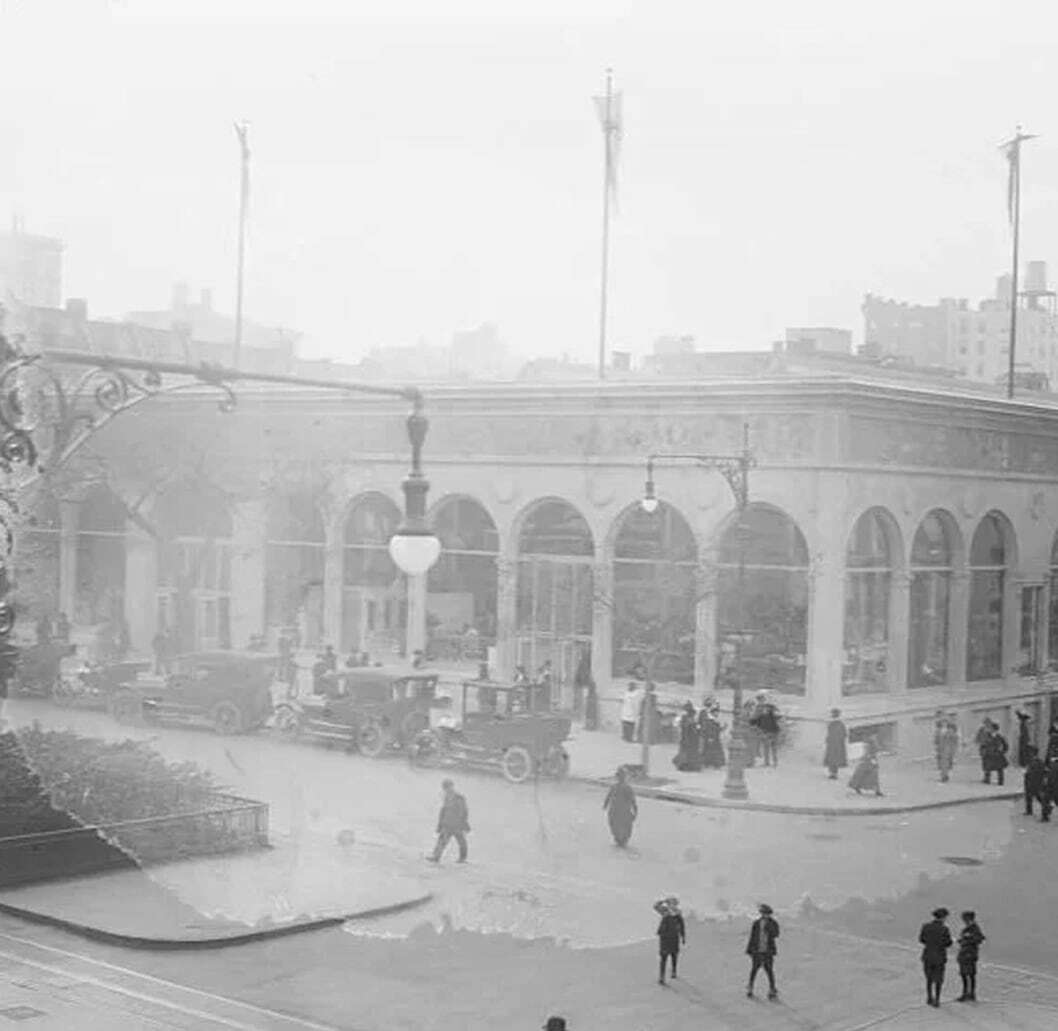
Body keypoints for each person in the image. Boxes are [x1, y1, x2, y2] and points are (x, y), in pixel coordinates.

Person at [428, 779, 469, 863]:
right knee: (441, 841)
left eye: (448, 787)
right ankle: (436, 857)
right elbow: (443, 810)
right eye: (445, 788)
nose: (446, 789)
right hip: (447, 823)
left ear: (452, 786)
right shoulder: (446, 797)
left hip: (457, 824)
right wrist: (440, 824)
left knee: (461, 842)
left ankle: (462, 858)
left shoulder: (459, 797)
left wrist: (463, 823)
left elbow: (464, 811)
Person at [918, 907, 953, 1008]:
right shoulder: (944, 929)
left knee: (929, 978)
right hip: (940, 957)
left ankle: (929, 997)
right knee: (939, 979)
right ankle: (937, 999)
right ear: (943, 917)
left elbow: (921, 939)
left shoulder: (926, 926)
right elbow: (948, 943)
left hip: (928, 955)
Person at [745, 903, 780, 1000]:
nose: (766, 915)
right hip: (757, 950)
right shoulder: (756, 923)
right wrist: (749, 949)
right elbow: (752, 937)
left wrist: (770, 929)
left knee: (769, 970)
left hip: (767, 951)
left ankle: (772, 989)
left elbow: (776, 934)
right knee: (754, 969)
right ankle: (750, 987)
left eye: (767, 913)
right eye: (764, 913)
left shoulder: (773, 923)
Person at [602, 766, 637, 847]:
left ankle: (621, 838)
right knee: (618, 824)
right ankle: (620, 838)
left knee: (621, 825)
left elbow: (632, 800)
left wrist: (605, 805)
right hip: (618, 810)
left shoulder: (626, 788)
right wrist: (635, 810)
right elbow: (609, 796)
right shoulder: (617, 787)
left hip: (621, 811)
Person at [655, 897, 686, 985]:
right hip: (665, 937)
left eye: (673, 903)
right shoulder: (665, 911)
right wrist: (663, 901)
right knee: (664, 957)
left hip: (673, 937)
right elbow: (655, 906)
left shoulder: (677, 913)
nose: (671, 905)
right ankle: (662, 977)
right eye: (670, 903)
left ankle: (673, 971)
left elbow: (682, 925)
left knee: (673, 955)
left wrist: (683, 936)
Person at [956, 910, 985, 1003]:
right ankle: (966, 993)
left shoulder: (974, 928)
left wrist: (967, 940)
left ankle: (970, 993)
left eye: (965, 919)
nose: (964, 920)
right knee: (964, 974)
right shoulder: (967, 928)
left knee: (970, 974)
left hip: (969, 954)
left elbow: (980, 938)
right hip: (965, 953)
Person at [673, 702, 702, 772]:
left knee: (690, 753)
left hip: (692, 739)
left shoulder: (692, 719)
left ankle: (691, 766)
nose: (692, 714)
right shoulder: (685, 718)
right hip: (687, 738)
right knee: (686, 753)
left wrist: (696, 728)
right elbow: (684, 727)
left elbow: (696, 728)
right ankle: (684, 765)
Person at [824, 708, 848, 779]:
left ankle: (833, 773)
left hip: (835, 745)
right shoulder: (835, 724)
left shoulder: (837, 724)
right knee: (833, 759)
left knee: (834, 759)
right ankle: (833, 773)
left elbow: (844, 734)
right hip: (834, 745)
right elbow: (844, 734)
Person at [935, 716, 959, 784]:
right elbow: (936, 740)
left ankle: (944, 775)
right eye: (942, 722)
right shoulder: (938, 731)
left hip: (948, 749)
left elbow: (954, 740)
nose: (944, 724)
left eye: (945, 722)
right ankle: (944, 775)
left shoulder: (950, 731)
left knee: (946, 763)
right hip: (941, 749)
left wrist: (953, 748)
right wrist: (937, 747)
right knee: (942, 763)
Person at [1024, 745, 1047, 817]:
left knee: (1039, 797)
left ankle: (1045, 812)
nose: (1029, 754)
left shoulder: (1039, 762)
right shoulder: (1031, 761)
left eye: (1030, 752)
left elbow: (1043, 772)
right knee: (1028, 797)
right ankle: (1029, 811)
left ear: (1033, 753)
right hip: (1030, 782)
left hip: (1036, 783)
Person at [1042, 756, 1058, 823]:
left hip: (1052, 787)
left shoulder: (1054, 766)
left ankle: (1045, 816)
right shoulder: (1054, 766)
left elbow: (1051, 778)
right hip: (1053, 787)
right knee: (1052, 802)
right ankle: (1046, 815)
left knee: (1047, 801)